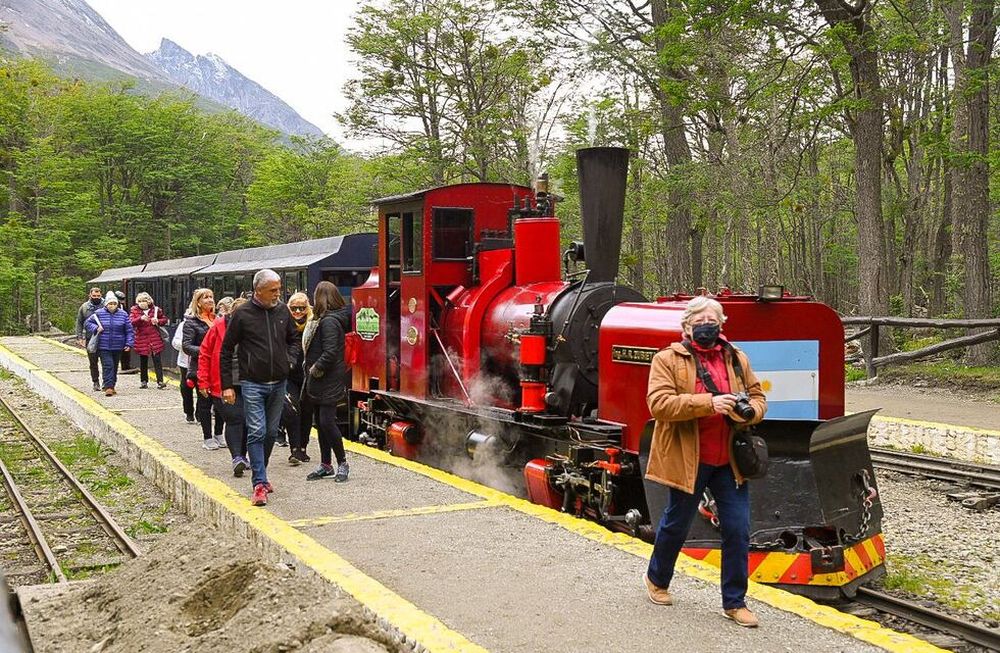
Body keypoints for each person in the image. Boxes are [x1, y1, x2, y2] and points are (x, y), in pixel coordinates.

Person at [643, 296, 766, 628]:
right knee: (676, 524)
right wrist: (708, 403)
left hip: (729, 460)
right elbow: (659, 404)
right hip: (689, 459)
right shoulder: (667, 359)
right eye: (699, 319)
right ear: (686, 326)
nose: (707, 324)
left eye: (713, 318)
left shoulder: (737, 358)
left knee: (738, 530)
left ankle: (735, 602)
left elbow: (758, 396)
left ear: (722, 324)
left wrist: (751, 411)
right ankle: (657, 579)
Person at [220, 269, 298, 507]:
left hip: (279, 382)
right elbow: (226, 350)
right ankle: (259, 482)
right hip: (252, 383)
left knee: (271, 432)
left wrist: (290, 360)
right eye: (273, 290)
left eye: (279, 289)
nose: (278, 294)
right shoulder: (242, 314)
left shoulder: (283, 310)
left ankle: (260, 471)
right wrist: (227, 386)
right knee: (256, 431)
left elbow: (294, 339)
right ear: (258, 290)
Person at [303, 281, 351, 482]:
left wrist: (316, 369)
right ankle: (325, 464)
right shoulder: (327, 319)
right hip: (321, 379)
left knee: (326, 422)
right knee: (320, 423)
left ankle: (342, 463)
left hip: (327, 378)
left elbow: (330, 352)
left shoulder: (329, 322)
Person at [199, 297, 249, 476]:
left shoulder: (253, 327)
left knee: (247, 421)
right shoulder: (218, 326)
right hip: (222, 383)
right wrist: (202, 381)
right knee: (235, 418)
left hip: (249, 381)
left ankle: (243, 455)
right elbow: (204, 353)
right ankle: (237, 457)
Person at [182, 288, 219, 450]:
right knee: (204, 402)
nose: (210, 300)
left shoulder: (219, 320)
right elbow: (186, 346)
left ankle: (219, 433)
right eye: (205, 298)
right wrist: (207, 351)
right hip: (201, 368)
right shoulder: (191, 322)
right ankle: (207, 437)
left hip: (219, 367)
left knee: (220, 402)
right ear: (198, 302)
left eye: (211, 297)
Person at [281, 292, 312, 464]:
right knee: (292, 410)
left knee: (307, 411)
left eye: (302, 308)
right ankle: (294, 448)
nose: (298, 311)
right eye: (294, 308)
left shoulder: (314, 323)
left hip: (307, 375)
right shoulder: (283, 323)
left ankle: (303, 447)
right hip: (288, 373)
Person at [85, 292, 135, 396]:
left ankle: (112, 384)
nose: (112, 305)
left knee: (115, 366)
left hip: (118, 345)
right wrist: (96, 328)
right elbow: (88, 323)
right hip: (103, 345)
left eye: (114, 303)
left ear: (117, 304)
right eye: (110, 304)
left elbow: (129, 330)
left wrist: (129, 343)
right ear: (106, 304)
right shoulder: (98, 313)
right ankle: (108, 387)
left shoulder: (123, 314)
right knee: (108, 365)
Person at [129, 292, 168, 389]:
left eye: (144, 301)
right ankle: (144, 381)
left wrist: (158, 321)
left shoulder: (156, 310)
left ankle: (160, 381)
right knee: (143, 360)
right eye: (140, 301)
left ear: (149, 301)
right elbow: (131, 322)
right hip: (141, 338)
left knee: (157, 360)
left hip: (154, 338)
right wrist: (140, 318)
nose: (142, 303)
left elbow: (164, 320)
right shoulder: (134, 311)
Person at [75, 287, 105, 392]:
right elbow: (79, 322)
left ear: (101, 295)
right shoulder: (84, 307)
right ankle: (95, 381)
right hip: (90, 337)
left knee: (106, 361)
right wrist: (79, 337)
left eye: (98, 296)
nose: (96, 298)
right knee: (93, 361)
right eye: (94, 296)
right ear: (90, 296)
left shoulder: (106, 306)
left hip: (104, 337)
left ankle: (106, 381)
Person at [172, 308, 196, 424]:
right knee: (186, 388)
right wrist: (186, 345)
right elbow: (175, 342)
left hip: (200, 361)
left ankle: (201, 413)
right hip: (185, 361)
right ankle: (189, 412)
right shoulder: (183, 325)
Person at [115, 290, 135, 374]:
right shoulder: (116, 306)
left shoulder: (122, 306)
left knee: (126, 349)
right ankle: (123, 365)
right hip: (118, 330)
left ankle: (126, 365)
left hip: (124, 330)